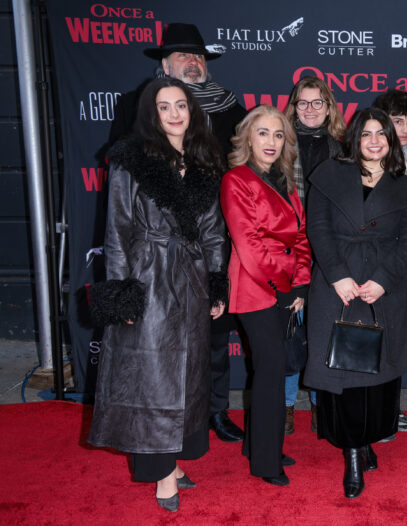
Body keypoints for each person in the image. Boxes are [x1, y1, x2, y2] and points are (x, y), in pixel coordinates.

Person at [88, 77, 227, 512]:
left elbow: (213, 232)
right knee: (153, 382)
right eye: (164, 106)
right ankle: (161, 473)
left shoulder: (205, 162)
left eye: (181, 105)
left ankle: (177, 459)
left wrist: (217, 281)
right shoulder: (131, 162)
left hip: (193, 280)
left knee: (188, 375)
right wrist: (124, 293)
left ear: (192, 110)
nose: (174, 114)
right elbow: (117, 232)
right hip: (148, 279)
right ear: (150, 113)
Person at [109, 22, 247, 443]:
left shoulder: (229, 108)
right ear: (164, 64)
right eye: (185, 56)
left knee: (214, 336)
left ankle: (215, 410)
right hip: (154, 248)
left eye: (200, 57)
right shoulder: (136, 105)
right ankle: (153, 431)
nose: (194, 62)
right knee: (153, 347)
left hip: (212, 235)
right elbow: (125, 193)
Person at [303, 108, 407, 498]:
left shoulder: (404, 185)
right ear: (354, 138)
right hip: (338, 286)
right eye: (366, 133)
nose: (373, 141)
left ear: (391, 140)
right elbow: (317, 228)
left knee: (379, 377)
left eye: (381, 134)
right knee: (345, 377)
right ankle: (353, 454)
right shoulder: (328, 174)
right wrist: (338, 276)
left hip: (382, 288)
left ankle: (369, 440)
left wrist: (384, 282)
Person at [220, 105, 311, 486]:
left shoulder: (286, 182)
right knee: (272, 369)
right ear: (247, 137)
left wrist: (302, 282)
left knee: (271, 369)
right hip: (255, 289)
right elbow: (249, 244)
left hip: (285, 289)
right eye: (263, 133)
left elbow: (302, 237)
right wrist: (284, 283)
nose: (271, 141)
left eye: (278, 134)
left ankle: (259, 446)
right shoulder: (235, 180)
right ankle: (265, 461)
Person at [282, 76, 346, 435]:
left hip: (328, 254)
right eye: (303, 103)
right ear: (294, 107)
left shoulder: (341, 149)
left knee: (322, 332)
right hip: (289, 251)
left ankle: (323, 404)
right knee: (289, 333)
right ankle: (287, 405)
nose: (309, 109)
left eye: (316, 103)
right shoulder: (279, 145)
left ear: (328, 107)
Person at [371, 88, 407, 440]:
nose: (403, 128)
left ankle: (390, 409)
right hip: (373, 268)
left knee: (396, 341)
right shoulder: (372, 155)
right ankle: (375, 411)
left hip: (405, 266)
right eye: (396, 120)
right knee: (373, 340)